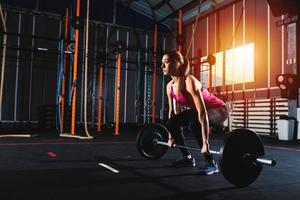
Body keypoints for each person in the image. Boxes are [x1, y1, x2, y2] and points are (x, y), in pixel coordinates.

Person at [161, 50, 229, 175]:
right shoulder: (170, 86)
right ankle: (187, 158)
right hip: (200, 111)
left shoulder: (189, 81)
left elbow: (202, 113)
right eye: (162, 63)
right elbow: (172, 112)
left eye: (166, 62)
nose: (162, 66)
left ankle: (211, 163)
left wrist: (205, 143)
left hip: (219, 109)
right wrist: (171, 137)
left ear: (177, 63)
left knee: (195, 123)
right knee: (171, 122)